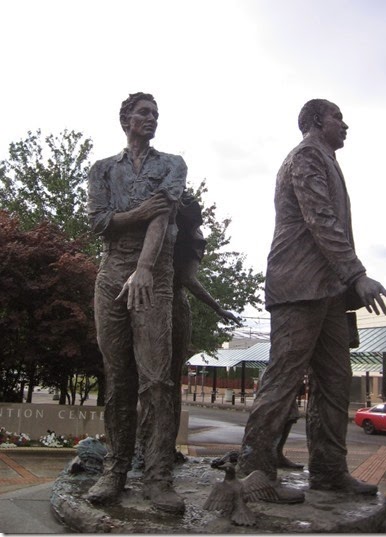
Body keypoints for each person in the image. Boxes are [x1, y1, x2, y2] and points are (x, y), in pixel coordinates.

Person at [237, 99, 386, 497]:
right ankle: (252, 474)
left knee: (335, 382)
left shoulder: (325, 158)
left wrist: (346, 281)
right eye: (337, 117)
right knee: (283, 378)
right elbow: (319, 218)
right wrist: (357, 275)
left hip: (328, 290)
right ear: (314, 121)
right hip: (299, 286)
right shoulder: (307, 155)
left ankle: (327, 470)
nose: (345, 124)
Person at [86, 92, 187, 513]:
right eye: (144, 112)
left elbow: (162, 217)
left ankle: (158, 476)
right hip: (111, 274)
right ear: (126, 118)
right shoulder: (102, 169)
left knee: (157, 380)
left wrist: (144, 267)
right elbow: (98, 223)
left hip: (152, 274)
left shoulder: (172, 164)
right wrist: (139, 211)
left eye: (156, 114)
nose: (152, 119)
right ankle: (115, 469)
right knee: (118, 379)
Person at [135, 192, 241, 464]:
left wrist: (217, 308)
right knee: (150, 380)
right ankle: (145, 447)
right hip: (148, 303)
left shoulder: (192, 237)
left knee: (166, 382)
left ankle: (161, 449)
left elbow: (187, 279)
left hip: (172, 308)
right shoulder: (156, 226)